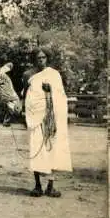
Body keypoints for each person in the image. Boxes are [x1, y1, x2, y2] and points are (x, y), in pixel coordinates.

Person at [24, 48, 72, 197]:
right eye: (38, 58)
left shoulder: (54, 75)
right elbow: (28, 98)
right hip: (36, 120)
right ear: (35, 60)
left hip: (51, 120)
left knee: (53, 150)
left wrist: (49, 92)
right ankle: (37, 185)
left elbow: (61, 97)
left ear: (47, 58)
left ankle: (50, 186)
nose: (41, 60)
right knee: (36, 150)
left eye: (43, 57)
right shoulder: (29, 76)